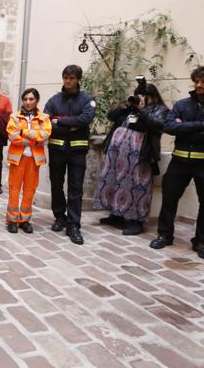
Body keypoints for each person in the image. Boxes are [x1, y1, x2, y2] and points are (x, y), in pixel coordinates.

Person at [93, 83, 167, 235]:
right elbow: (111, 116)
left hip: (141, 156)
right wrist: (125, 105)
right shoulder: (129, 108)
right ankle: (116, 215)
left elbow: (158, 125)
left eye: (144, 96)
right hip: (117, 156)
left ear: (152, 97)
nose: (140, 99)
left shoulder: (161, 110)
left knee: (138, 186)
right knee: (114, 181)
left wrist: (142, 110)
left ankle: (137, 221)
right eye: (138, 95)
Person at [150, 66, 204, 258]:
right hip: (179, 161)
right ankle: (165, 235)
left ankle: (200, 242)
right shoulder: (182, 104)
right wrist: (199, 126)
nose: (199, 85)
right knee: (169, 199)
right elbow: (170, 126)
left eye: (203, 82)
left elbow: (179, 128)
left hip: (202, 164)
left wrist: (184, 127)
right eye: (196, 81)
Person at [44, 65, 96, 245]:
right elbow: (46, 123)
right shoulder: (53, 100)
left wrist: (61, 121)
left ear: (78, 79)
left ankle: (74, 225)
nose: (68, 81)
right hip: (57, 150)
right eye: (65, 77)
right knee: (56, 186)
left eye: (71, 78)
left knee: (75, 189)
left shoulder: (87, 100)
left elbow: (85, 119)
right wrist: (71, 126)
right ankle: (60, 217)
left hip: (77, 151)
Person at [5, 88, 51, 233]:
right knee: (14, 189)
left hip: (34, 160)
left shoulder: (44, 118)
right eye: (25, 99)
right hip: (17, 159)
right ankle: (12, 220)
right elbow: (12, 135)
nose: (28, 102)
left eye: (31, 99)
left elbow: (45, 135)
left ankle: (24, 220)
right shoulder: (15, 117)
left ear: (36, 100)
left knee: (30, 190)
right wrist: (33, 139)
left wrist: (23, 132)